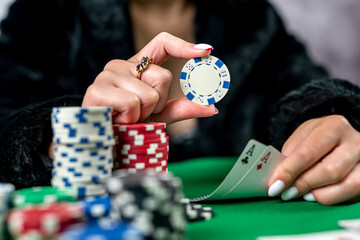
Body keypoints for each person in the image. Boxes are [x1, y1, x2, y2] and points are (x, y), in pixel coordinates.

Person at [0, 0, 360, 206]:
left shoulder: (250, 15)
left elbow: (306, 91)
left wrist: (330, 117)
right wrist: (74, 138)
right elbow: (6, 127)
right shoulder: (44, 13)